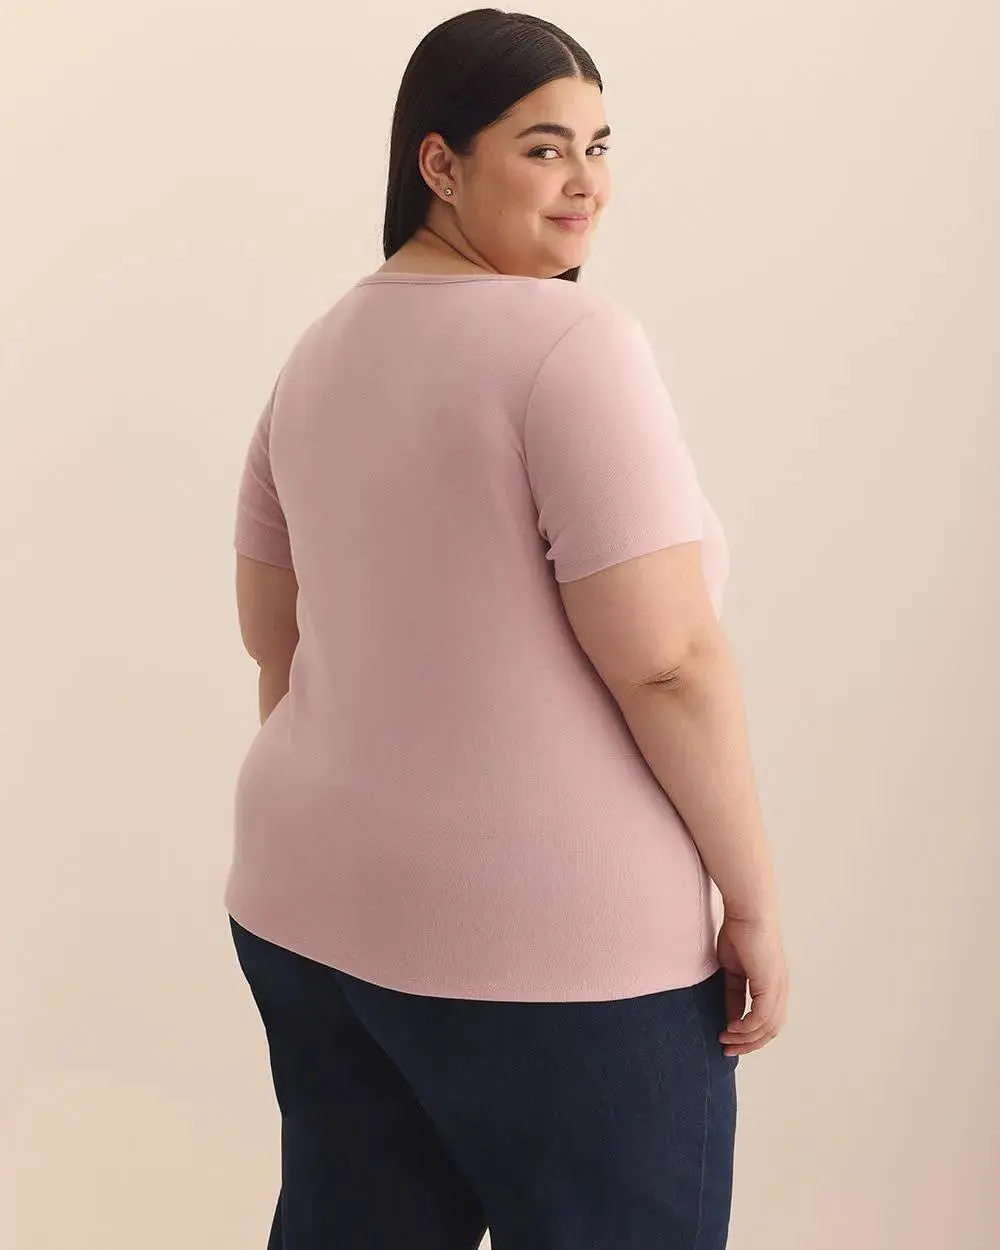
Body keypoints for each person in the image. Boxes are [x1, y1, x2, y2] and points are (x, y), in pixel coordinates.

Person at [227, 8, 789, 1249]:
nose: (587, 182)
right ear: (440, 163)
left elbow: (278, 644)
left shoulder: (315, 355)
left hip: (307, 916)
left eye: (599, 145)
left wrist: (370, 845)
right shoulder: (571, 342)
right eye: (543, 149)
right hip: (561, 960)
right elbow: (666, 660)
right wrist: (750, 898)